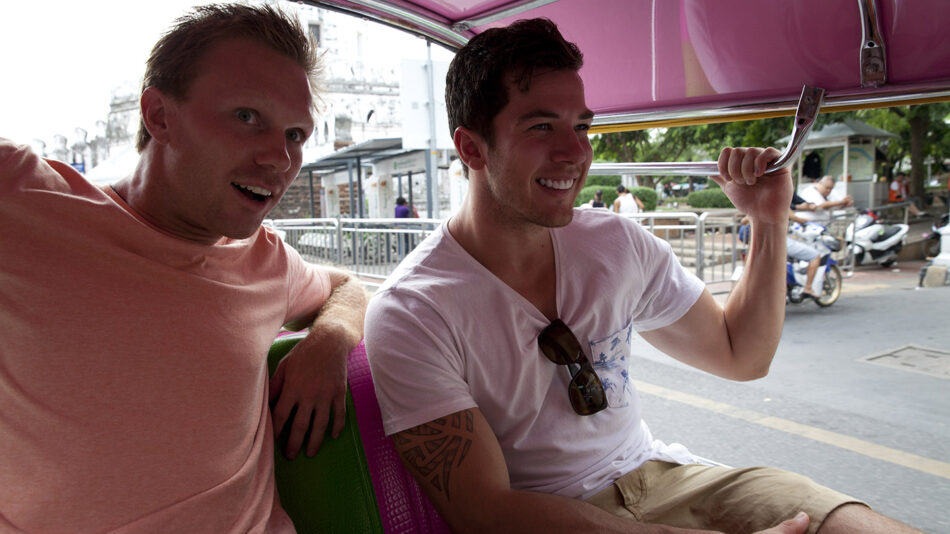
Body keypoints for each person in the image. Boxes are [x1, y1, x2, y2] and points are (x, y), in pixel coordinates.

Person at [364, 18, 919, 534]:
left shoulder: (614, 243)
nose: (575, 152)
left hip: (666, 476)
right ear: (471, 148)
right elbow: (487, 511)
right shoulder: (414, 311)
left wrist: (767, 220)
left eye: (582, 125)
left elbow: (740, 355)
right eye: (541, 127)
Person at [0, 4, 367, 532]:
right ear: (159, 116)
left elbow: (347, 285)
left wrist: (331, 338)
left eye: (295, 134)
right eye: (247, 117)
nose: (280, 159)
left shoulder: (269, 262)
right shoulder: (26, 200)